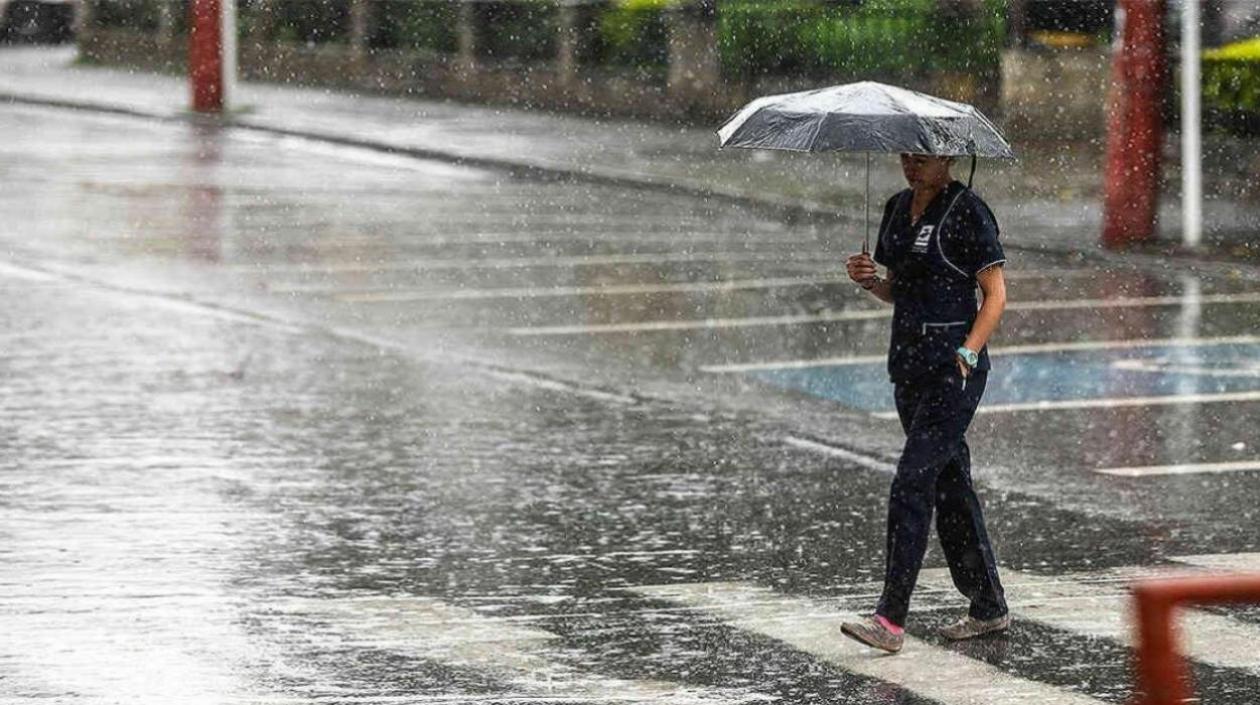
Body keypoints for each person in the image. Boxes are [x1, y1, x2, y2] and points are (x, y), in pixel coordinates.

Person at [839, 153, 1010, 654]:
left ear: (950, 156)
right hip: (908, 368)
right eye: (906, 156)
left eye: (924, 158)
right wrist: (870, 280)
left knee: (912, 482)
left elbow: (995, 294)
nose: (912, 166)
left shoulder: (968, 210)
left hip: (952, 373)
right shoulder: (894, 208)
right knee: (951, 485)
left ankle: (890, 618)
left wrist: (967, 352)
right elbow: (903, 290)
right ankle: (988, 606)